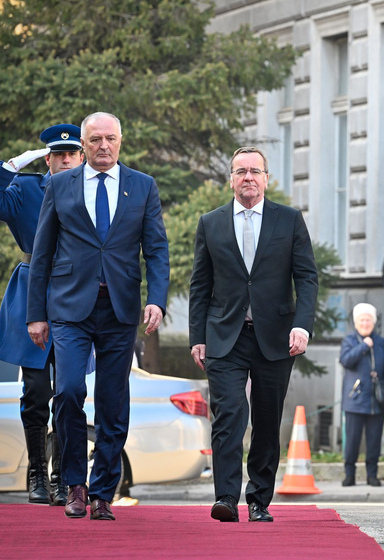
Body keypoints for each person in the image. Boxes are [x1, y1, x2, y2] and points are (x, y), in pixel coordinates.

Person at [27, 112, 169, 521]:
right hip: (70, 308)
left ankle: (103, 491)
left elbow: (156, 249)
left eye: (110, 138)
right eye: (95, 140)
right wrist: (36, 314)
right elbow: (42, 252)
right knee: (69, 391)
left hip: (120, 308)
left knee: (112, 401)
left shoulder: (142, 186)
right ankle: (74, 484)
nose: (103, 146)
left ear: (120, 141)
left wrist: (157, 299)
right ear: (84, 145)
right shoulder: (60, 185)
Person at [189, 146, 318, 523]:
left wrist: (302, 325)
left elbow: (307, 278)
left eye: (255, 171)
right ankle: (226, 498)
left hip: (275, 337)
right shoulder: (211, 223)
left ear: (266, 179)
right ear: (231, 179)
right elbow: (200, 285)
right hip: (224, 336)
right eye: (241, 171)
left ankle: (259, 500)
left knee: (266, 420)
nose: (248, 177)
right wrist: (198, 336)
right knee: (229, 414)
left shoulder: (289, 220)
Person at [0, 124, 85, 505]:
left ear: (81, 158)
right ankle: (37, 473)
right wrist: (12, 166)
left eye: (72, 154)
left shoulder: (93, 190)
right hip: (32, 290)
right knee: (36, 392)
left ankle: (64, 477)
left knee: (69, 391)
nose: (65, 160)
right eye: (58, 155)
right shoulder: (26, 188)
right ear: (47, 159)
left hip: (75, 293)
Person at [339, 302, 384, 487]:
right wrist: (363, 346)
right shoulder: (349, 340)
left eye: (368, 320)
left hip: (376, 400)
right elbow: (345, 360)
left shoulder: (381, 342)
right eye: (361, 320)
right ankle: (349, 474)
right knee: (352, 441)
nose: (365, 323)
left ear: (373, 322)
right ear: (356, 322)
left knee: (374, 441)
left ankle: (372, 475)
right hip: (355, 400)